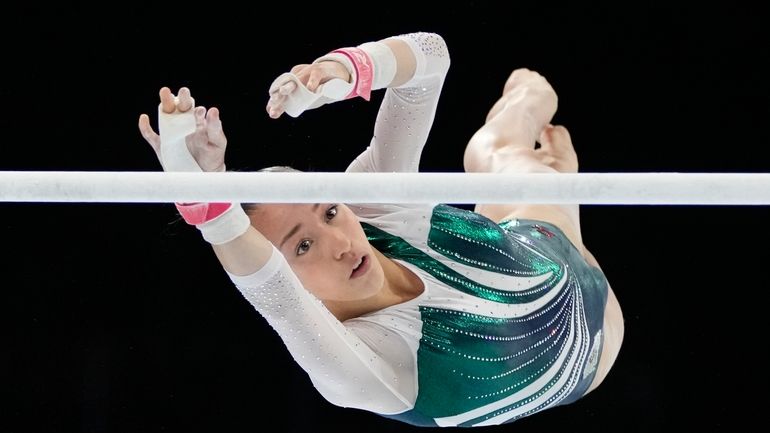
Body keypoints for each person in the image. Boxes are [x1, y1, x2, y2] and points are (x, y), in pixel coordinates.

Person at [138, 31, 624, 428]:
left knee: (516, 130)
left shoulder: (372, 207)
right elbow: (258, 278)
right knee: (514, 167)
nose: (341, 244)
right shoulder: (359, 367)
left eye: (329, 213)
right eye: (303, 245)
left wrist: (343, 71)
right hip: (597, 336)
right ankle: (535, 168)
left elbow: (432, 59)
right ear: (285, 275)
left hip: (540, 246)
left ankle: (518, 132)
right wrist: (199, 193)